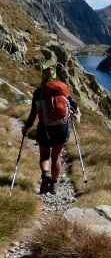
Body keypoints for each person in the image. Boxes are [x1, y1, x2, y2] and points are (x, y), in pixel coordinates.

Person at [22, 59, 77, 195]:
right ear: (54, 73)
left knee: (45, 155)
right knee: (56, 157)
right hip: (61, 128)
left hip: (44, 128)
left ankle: (45, 174)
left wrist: (27, 127)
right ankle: (54, 185)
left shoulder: (39, 91)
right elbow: (74, 108)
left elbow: (33, 113)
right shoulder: (62, 88)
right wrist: (70, 114)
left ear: (43, 74)